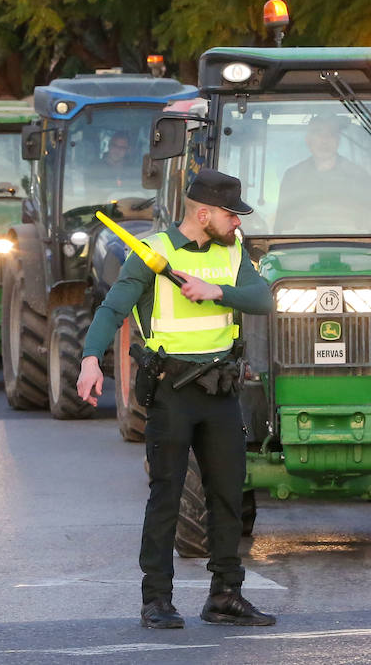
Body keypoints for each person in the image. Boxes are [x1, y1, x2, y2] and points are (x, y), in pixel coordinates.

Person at [76, 168, 276, 630]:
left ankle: (225, 595)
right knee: (165, 494)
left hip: (221, 389)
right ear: (203, 213)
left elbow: (264, 299)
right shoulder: (154, 254)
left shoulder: (233, 253)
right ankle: (157, 600)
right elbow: (113, 308)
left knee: (228, 494)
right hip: (172, 391)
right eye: (231, 215)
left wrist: (217, 292)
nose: (238, 223)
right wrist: (90, 360)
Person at [273, 115, 371, 233]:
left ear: (338, 140)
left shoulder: (358, 176)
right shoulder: (293, 177)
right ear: (308, 140)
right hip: (300, 248)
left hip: (353, 248)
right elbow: (281, 228)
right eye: (318, 133)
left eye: (331, 134)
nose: (324, 140)